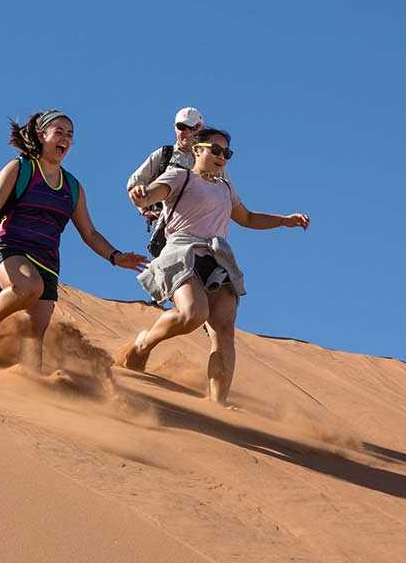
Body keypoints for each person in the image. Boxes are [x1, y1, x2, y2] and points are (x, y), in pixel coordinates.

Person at [0, 109, 146, 371]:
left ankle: (28, 388)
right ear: (41, 134)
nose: (66, 139)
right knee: (27, 286)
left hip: (47, 263)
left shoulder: (72, 187)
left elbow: (90, 233)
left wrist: (116, 256)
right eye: (59, 132)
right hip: (8, 248)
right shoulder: (21, 168)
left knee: (34, 336)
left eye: (70, 135)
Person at [120, 127, 310, 405]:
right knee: (193, 314)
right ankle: (143, 344)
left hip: (217, 257)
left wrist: (284, 220)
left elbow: (247, 217)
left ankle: (217, 403)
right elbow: (151, 193)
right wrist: (142, 195)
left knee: (224, 328)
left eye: (227, 153)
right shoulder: (179, 176)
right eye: (216, 150)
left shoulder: (226, 188)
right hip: (181, 252)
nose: (222, 157)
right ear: (197, 150)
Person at [126, 106, 204, 225]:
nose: (187, 132)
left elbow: (227, 194)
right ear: (175, 128)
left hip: (201, 226)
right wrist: (145, 210)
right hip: (168, 227)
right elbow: (135, 182)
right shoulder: (164, 154)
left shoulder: (211, 157)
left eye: (193, 127)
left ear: (201, 128)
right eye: (181, 127)